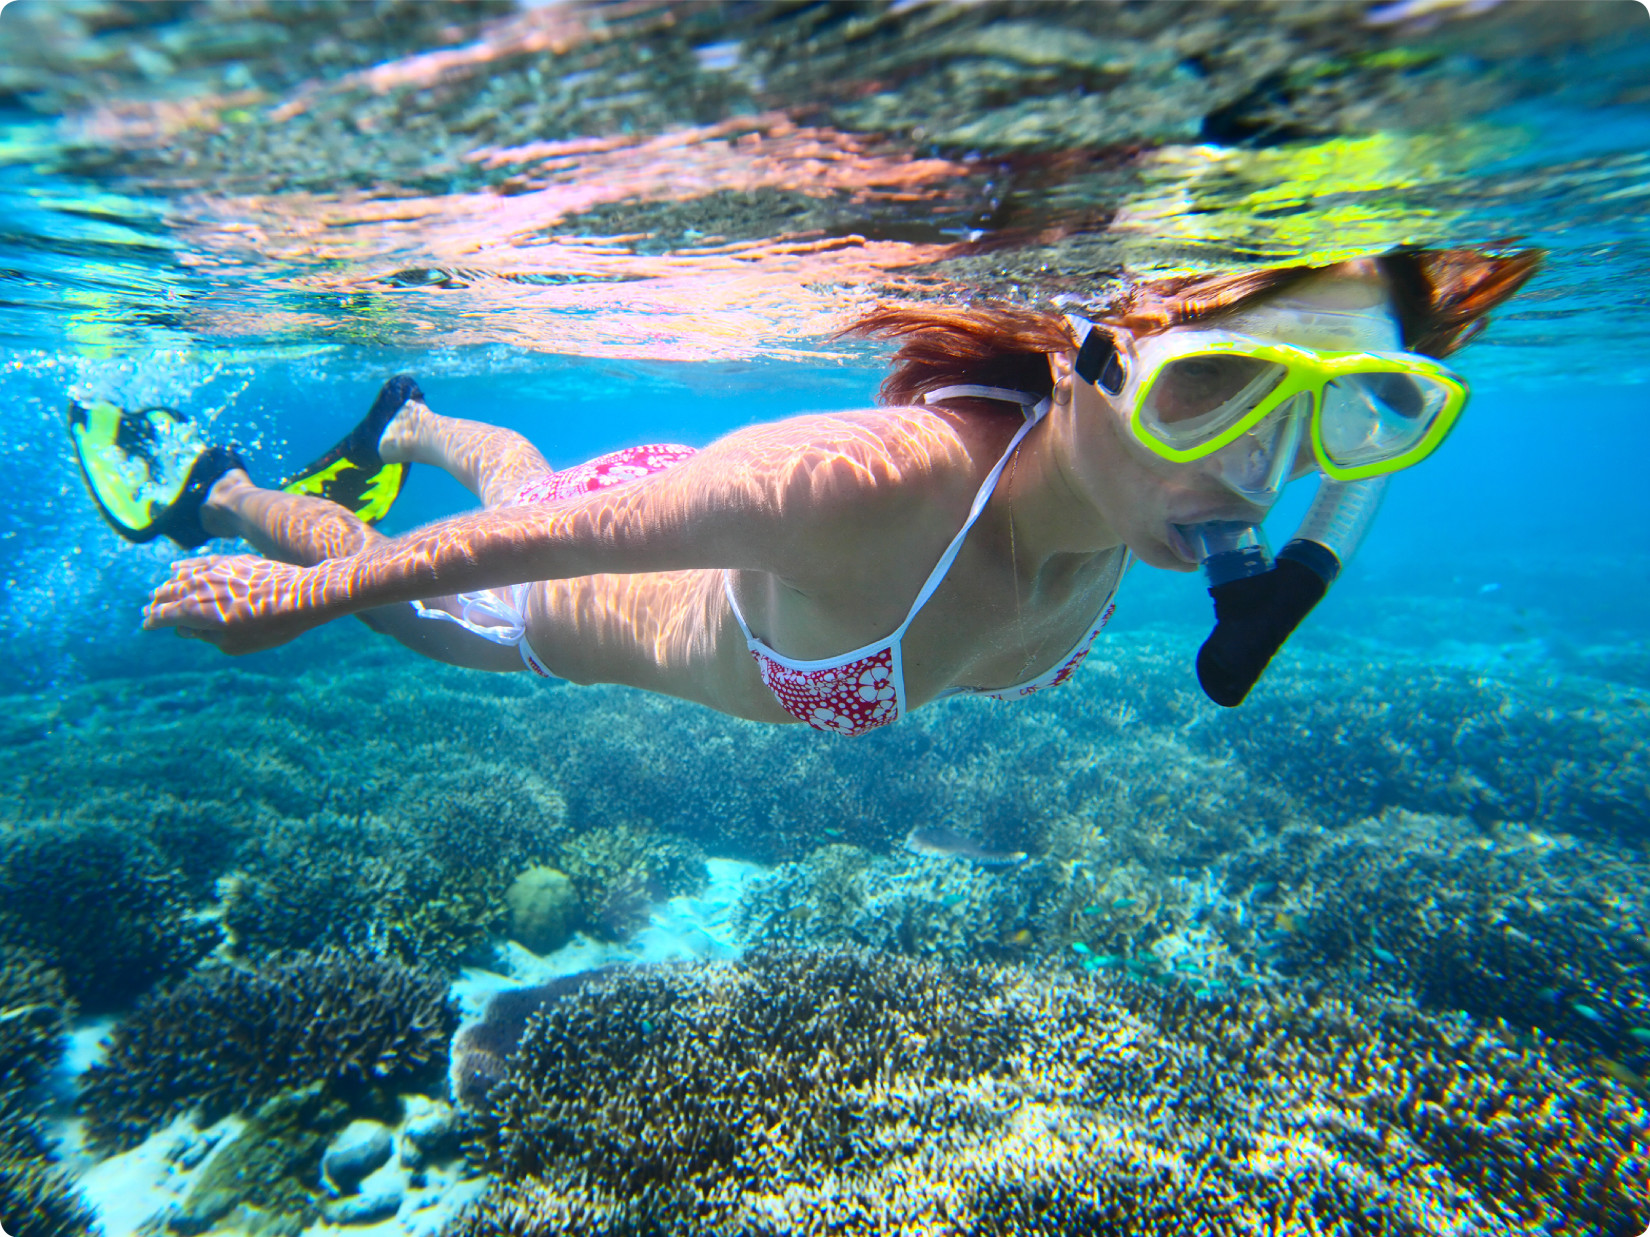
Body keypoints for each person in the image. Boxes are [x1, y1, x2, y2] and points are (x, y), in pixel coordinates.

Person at [76, 247, 1539, 737]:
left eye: (1333, 412)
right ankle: (221, 488)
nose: (1256, 471)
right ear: (1084, 360)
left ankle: (413, 413)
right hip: (567, 591)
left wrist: (1323, 536)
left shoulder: (1153, 495)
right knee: (437, 559)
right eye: (1208, 386)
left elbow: (1344, 453)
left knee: (542, 468)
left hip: (675, 522)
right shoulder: (886, 483)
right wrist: (307, 596)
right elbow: (548, 537)